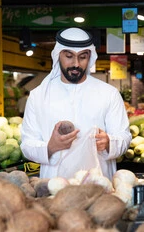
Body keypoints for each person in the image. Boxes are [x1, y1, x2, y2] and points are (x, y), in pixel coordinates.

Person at [20, 27, 132, 180]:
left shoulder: (109, 94)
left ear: (90, 57)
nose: (76, 64)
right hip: (54, 188)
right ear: (58, 55)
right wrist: (51, 147)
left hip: (99, 186)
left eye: (82, 57)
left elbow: (124, 137)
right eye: (69, 56)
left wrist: (108, 143)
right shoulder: (38, 96)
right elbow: (27, 145)